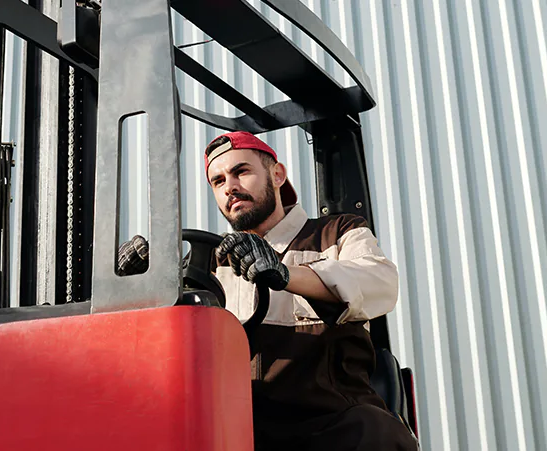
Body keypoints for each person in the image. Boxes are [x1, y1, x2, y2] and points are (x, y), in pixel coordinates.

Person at [116, 131, 418, 451]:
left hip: (329, 422)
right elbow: (165, 343)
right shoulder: (210, 261)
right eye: (218, 181)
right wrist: (136, 286)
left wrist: (286, 274)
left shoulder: (336, 233)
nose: (229, 186)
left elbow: (380, 282)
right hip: (242, 428)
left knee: (374, 432)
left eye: (241, 172)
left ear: (277, 175)